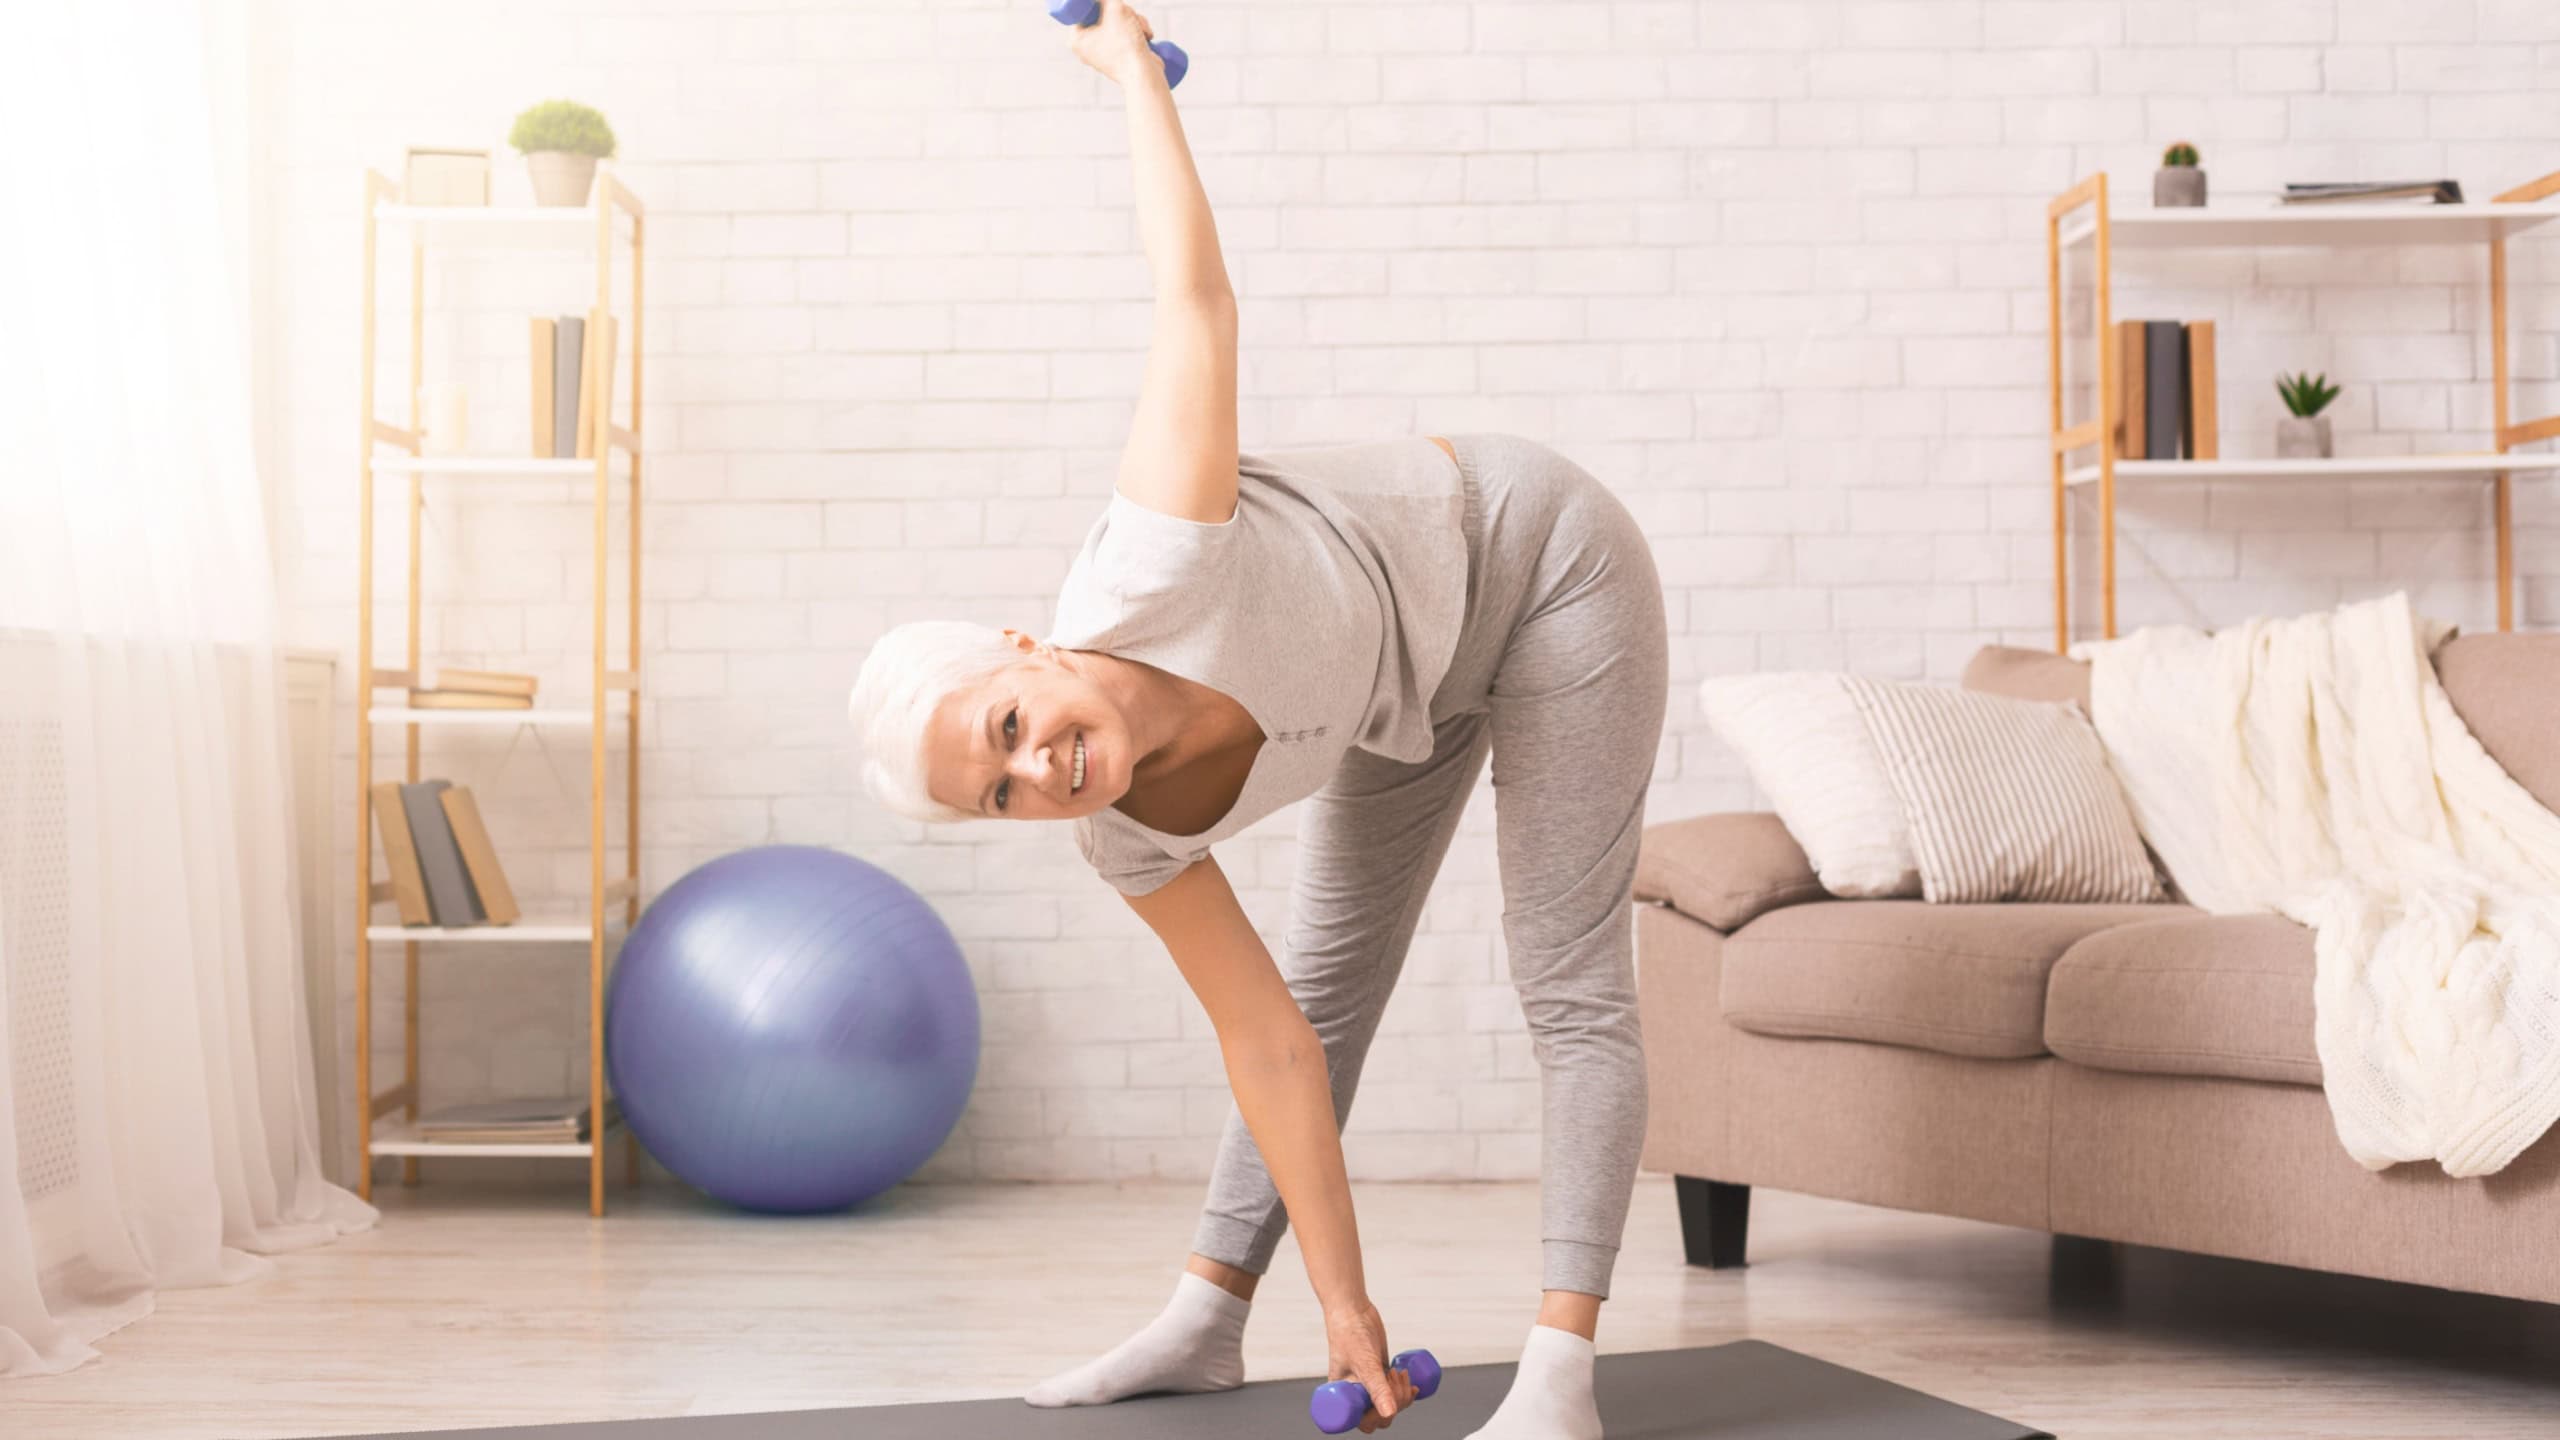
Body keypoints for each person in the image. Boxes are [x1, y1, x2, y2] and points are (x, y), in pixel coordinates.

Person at [845, 4, 1667, 1434]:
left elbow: (1195, 301)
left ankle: (1561, 1372)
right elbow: (1273, 1042)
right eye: (1001, 795)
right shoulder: (1123, 842)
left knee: (1564, 972)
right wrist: (1341, 1311)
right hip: (1405, 693)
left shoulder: (1154, 556)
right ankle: (1208, 1315)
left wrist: (1127, 75)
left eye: (1010, 727)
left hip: (1540, 564)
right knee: (1322, 994)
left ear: (1027, 650)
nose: (1038, 770)